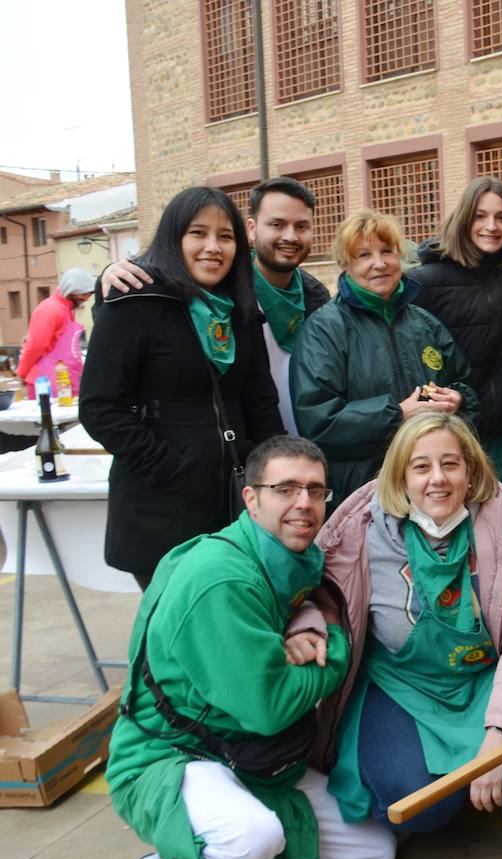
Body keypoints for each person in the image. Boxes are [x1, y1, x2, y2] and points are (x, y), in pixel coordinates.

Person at [108, 435, 395, 859]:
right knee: (251, 839)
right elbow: (271, 708)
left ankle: (251, 833)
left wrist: (305, 629)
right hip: (173, 755)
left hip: (248, 754)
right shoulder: (222, 578)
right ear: (251, 497)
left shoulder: (282, 556)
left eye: (315, 490)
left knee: (376, 854)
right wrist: (336, 645)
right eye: (285, 489)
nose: (303, 503)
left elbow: (300, 624)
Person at [283, 413, 502, 833]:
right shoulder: (358, 528)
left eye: (450, 464)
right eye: (421, 466)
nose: (438, 479)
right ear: (399, 476)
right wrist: (308, 626)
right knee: (418, 808)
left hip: (488, 675)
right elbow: (312, 590)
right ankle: (468, 778)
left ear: (470, 470)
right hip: (402, 684)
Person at [80, 186, 283, 588]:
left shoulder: (241, 312)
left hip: (233, 504)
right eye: (198, 233)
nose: (213, 247)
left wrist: (273, 479)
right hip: (161, 506)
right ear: (174, 239)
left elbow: (260, 405)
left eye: (225, 237)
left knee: (229, 626)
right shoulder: (136, 301)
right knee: (172, 637)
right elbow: (100, 407)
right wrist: (169, 467)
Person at [101, 177, 333, 434]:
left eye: (301, 226)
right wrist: (109, 276)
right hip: (230, 452)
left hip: (298, 447)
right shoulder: (227, 295)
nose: (290, 236)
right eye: (277, 224)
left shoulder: (317, 298)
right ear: (251, 229)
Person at [291, 210, 479, 508]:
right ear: (346, 265)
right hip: (363, 490)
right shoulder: (324, 329)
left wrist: (458, 399)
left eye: (387, 251)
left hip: (431, 486)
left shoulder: (425, 323)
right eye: (364, 255)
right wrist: (396, 414)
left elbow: (463, 383)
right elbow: (318, 420)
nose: (379, 264)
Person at [408, 177, 502, 477]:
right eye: (480, 215)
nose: (492, 226)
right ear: (464, 219)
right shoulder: (425, 282)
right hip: (451, 436)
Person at [16, 267, 92, 397]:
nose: (86, 298)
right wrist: (21, 373)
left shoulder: (66, 309)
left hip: (64, 382)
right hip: (47, 385)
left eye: (89, 293)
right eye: (82, 293)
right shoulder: (50, 309)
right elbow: (35, 346)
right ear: (69, 290)